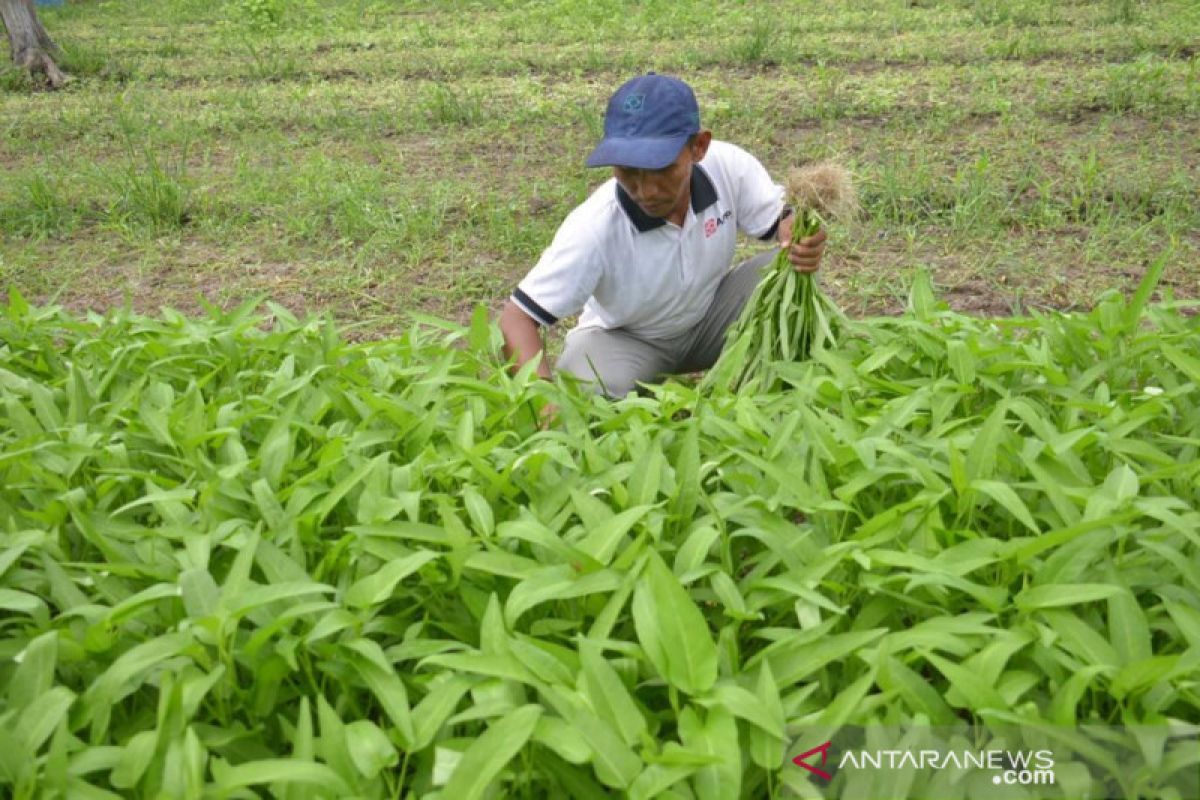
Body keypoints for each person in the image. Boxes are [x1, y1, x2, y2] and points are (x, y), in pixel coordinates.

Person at [498, 72, 826, 398]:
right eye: (628, 172)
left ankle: (768, 384)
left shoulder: (728, 167)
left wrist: (798, 237)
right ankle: (643, 392)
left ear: (698, 147)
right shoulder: (594, 227)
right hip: (628, 340)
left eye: (662, 170)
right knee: (587, 387)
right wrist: (544, 406)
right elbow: (517, 319)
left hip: (709, 320)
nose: (647, 191)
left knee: (787, 272)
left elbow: (782, 218)